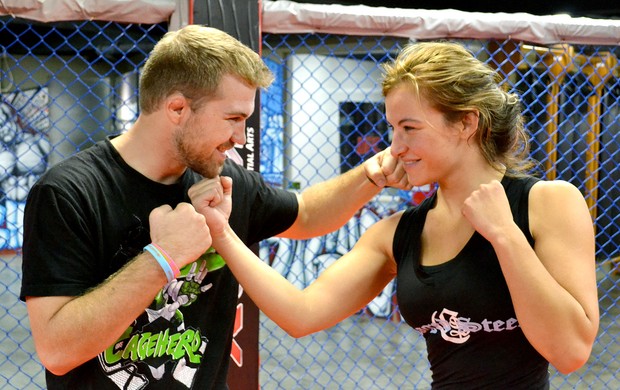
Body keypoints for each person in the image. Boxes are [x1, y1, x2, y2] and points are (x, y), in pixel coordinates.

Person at [19, 24, 410, 389]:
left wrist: (370, 175)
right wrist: (163, 257)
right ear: (176, 109)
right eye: (233, 118)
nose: (240, 137)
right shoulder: (69, 192)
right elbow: (58, 351)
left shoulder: (224, 183)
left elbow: (305, 213)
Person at [198, 41, 600, 388]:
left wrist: (506, 236)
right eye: (393, 128)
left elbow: (570, 352)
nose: (396, 146)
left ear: (466, 123)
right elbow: (302, 315)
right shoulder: (398, 232)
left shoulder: (549, 203)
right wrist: (224, 234)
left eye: (410, 128)